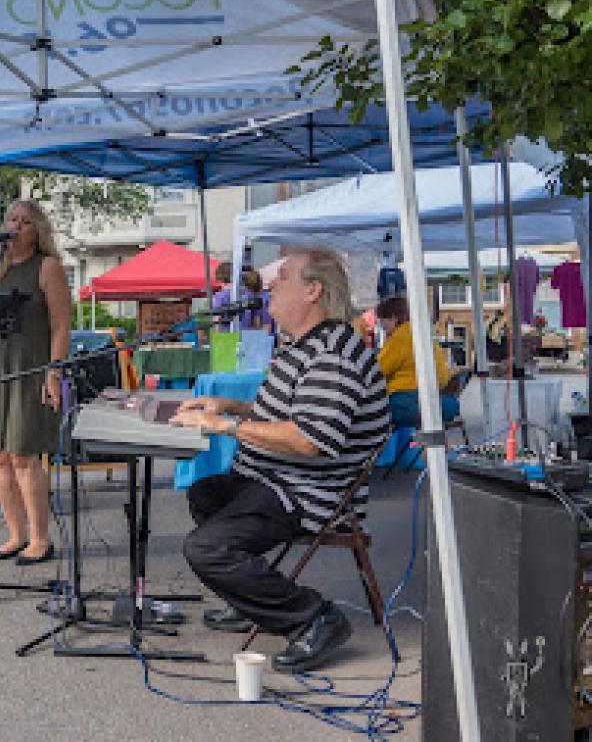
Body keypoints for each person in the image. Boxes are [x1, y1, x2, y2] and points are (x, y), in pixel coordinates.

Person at [169, 248, 390, 673]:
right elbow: (291, 410)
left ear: (313, 290)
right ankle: (251, 598)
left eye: (282, 277)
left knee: (206, 549)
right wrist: (231, 406)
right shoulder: (305, 346)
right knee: (206, 493)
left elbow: (310, 439)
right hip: (276, 481)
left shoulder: (334, 354)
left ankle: (314, 618)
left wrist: (226, 428)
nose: (269, 284)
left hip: (307, 495)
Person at [0, 199, 71, 565]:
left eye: (25, 222)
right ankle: (15, 534)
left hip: (29, 373)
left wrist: (54, 371)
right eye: (11, 219)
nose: (16, 226)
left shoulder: (48, 268)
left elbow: (60, 326)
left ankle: (40, 538)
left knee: (24, 456)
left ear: (37, 230)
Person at [375, 296, 460, 428]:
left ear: (393, 317)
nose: (382, 326)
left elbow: (377, 372)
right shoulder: (425, 335)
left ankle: (395, 447)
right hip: (437, 404)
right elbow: (443, 377)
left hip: (406, 404)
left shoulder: (398, 339)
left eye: (383, 321)